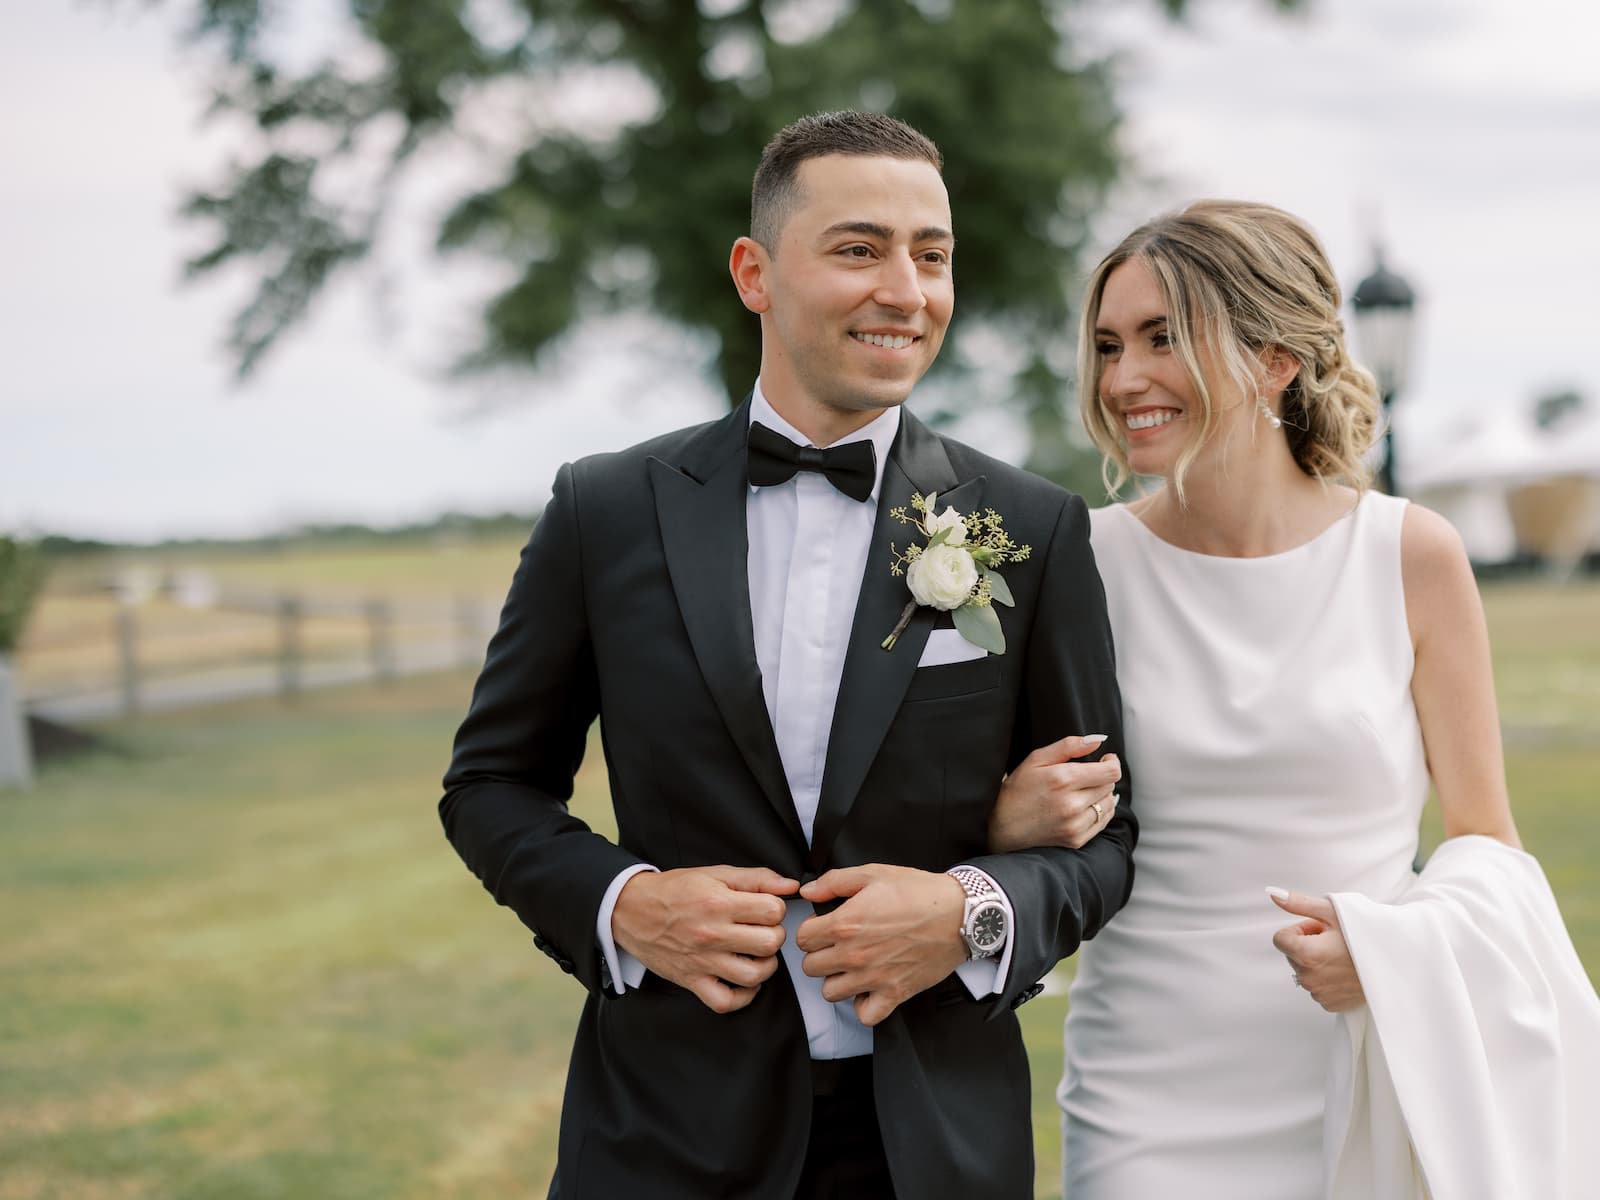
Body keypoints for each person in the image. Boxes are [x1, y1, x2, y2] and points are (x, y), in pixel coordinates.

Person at [439, 110, 1136, 1200]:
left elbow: (1105, 838)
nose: (906, 290)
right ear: (754, 273)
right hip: (664, 1135)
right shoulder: (606, 509)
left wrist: (968, 911)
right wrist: (625, 905)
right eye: (859, 249)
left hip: (931, 1144)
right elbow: (489, 786)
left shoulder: (1030, 527)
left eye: (932, 255)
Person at [988, 199, 1600, 1199]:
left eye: (1161, 338)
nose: (1122, 377)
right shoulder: (1081, 564)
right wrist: (1007, 815)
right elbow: (1000, 812)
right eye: (1106, 345)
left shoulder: (1411, 553)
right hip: (1147, 1097)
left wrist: (1391, 963)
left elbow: (1487, 838)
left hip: (1366, 1066)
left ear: (1274, 358)